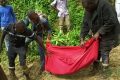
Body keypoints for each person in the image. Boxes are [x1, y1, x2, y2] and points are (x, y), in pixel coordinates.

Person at [80, 0, 120, 72]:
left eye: (88, 8)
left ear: (93, 3)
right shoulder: (88, 8)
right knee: (95, 49)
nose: (86, 10)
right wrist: (82, 37)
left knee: (104, 49)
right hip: (97, 32)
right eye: (86, 8)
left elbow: (111, 21)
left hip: (110, 32)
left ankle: (105, 70)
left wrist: (99, 32)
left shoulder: (105, 5)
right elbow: (85, 24)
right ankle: (95, 68)